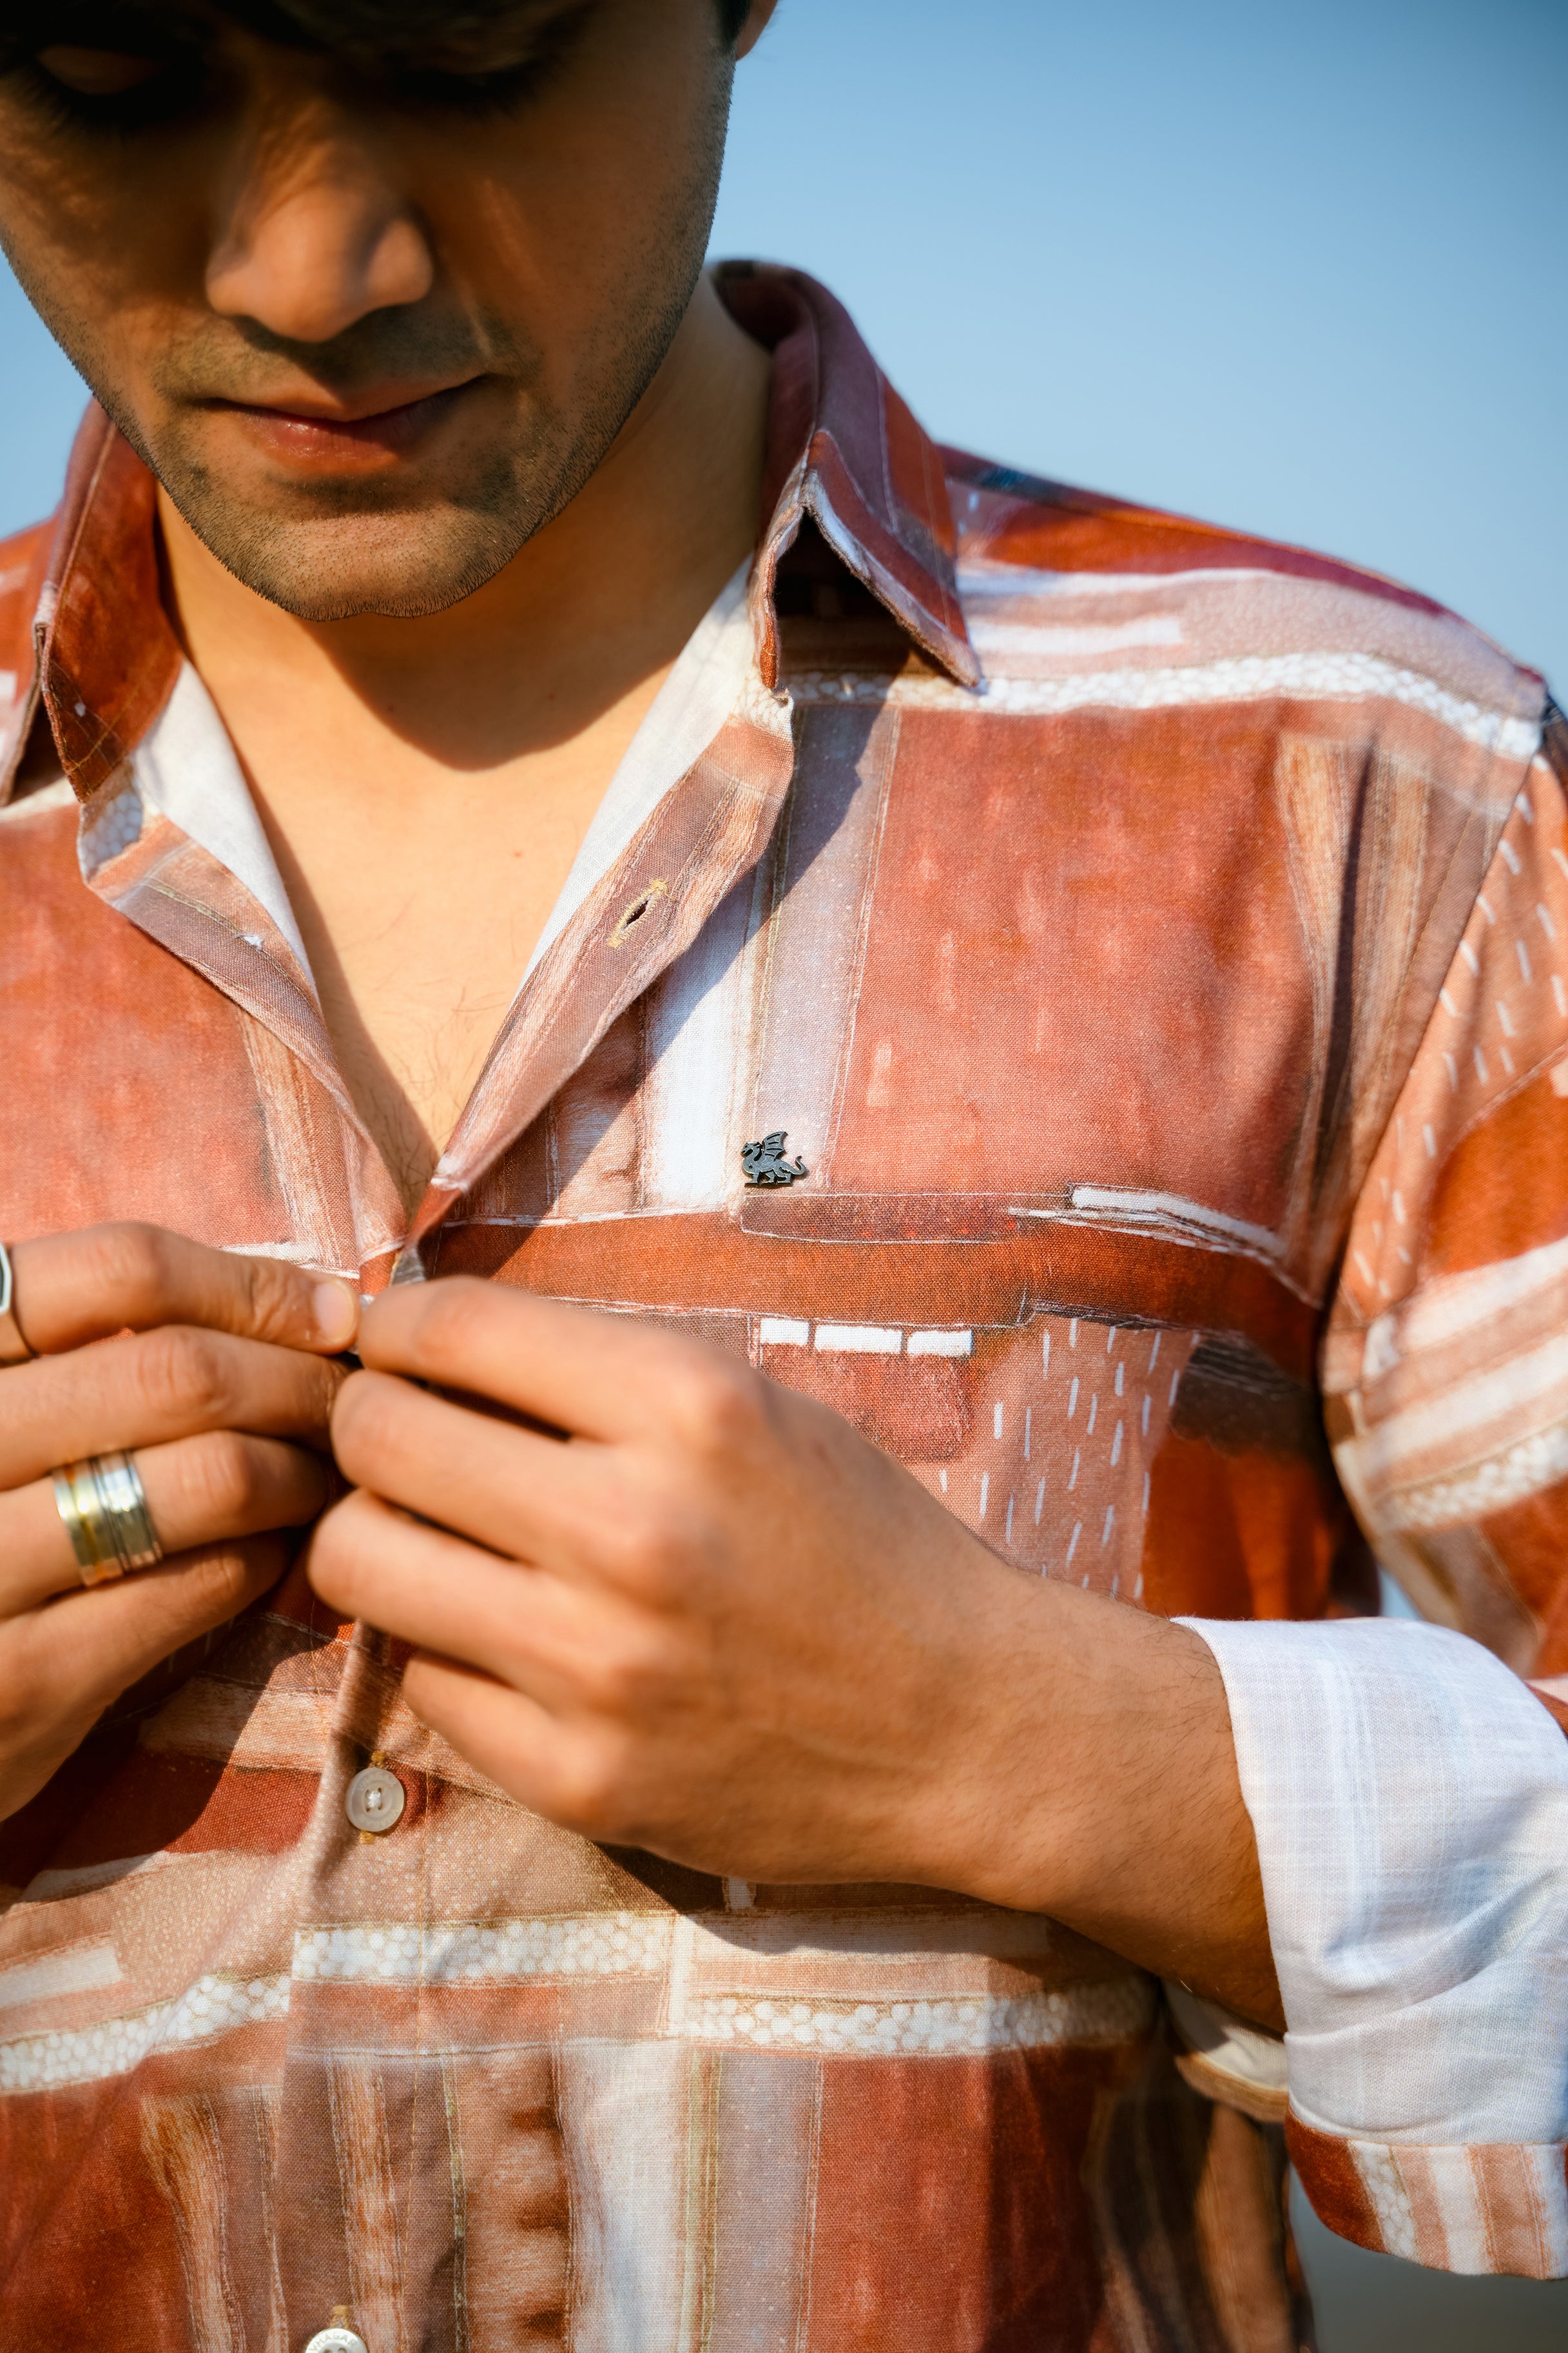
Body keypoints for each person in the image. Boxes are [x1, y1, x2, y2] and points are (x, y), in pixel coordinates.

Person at [0, 2, 1564, 2343]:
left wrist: (1026, 1747)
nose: (313, 260)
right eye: (114, 65)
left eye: (472, 39)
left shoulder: (1372, 791)